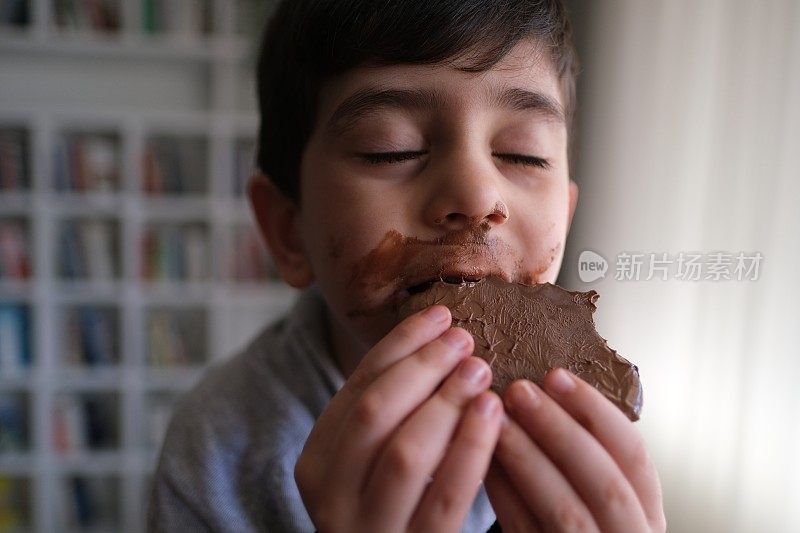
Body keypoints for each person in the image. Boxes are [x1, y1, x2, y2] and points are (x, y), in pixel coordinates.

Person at [148, 0, 666, 531]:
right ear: (289, 231)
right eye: (389, 149)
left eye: (522, 154)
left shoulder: (587, 425)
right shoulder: (219, 452)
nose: (477, 194)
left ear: (567, 214)